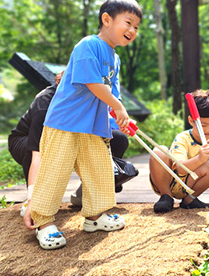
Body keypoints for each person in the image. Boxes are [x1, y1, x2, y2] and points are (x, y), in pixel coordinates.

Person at [23, 0, 142, 250]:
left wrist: (121, 116)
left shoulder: (115, 59)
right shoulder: (88, 45)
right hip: (65, 123)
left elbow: (113, 95)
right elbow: (93, 83)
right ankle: (44, 222)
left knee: (99, 171)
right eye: (128, 22)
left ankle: (95, 216)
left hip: (93, 127)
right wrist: (118, 106)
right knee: (54, 172)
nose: (132, 30)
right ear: (107, 19)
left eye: (136, 27)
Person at [8, 72, 131, 216]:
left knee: (118, 139)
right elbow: (37, 155)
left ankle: (86, 192)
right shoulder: (45, 105)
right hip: (27, 141)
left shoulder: (84, 98)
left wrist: (121, 123)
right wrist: (32, 197)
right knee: (43, 148)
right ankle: (34, 200)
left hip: (71, 137)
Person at [150, 89, 209, 213]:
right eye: (204, 125)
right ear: (191, 121)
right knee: (159, 151)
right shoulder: (183, 138)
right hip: (170, 181)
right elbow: (180, 168)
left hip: (190, 185)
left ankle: (189, 200)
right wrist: (200, 158)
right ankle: (166, 197)